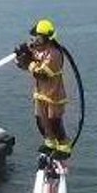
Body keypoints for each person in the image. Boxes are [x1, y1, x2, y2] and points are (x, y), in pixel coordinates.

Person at [15, 19, 71, 170]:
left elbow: (43, 74)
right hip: (40, 94)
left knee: (54, 121)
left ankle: (63, 147)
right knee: (41, 121)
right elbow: (26, 63)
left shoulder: (54, 54)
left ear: (46, 38)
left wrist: (29, 63)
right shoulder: (39, 50)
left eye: (38, 37)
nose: (35, 40)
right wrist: (21, 56)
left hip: (54, 95)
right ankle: (50, 143)